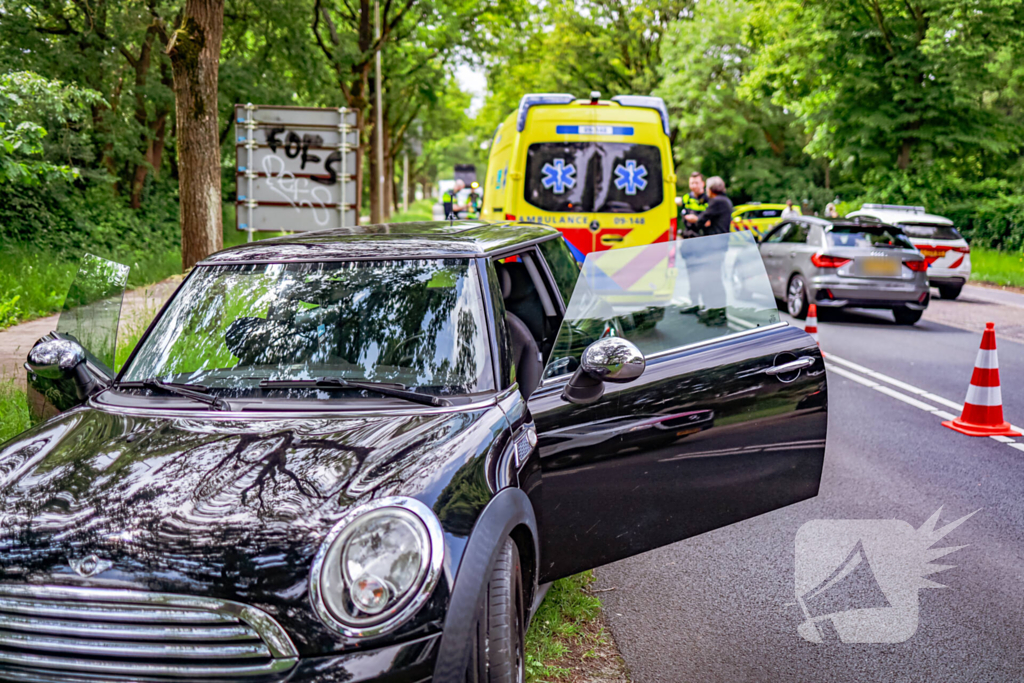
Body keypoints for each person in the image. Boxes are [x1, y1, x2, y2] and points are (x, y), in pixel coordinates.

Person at [681, 176, 732, 325]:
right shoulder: (725, 201)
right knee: (713, 280)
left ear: (710, 189)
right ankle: (714, 311)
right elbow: (706, 220)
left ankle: (718, 314)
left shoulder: (717, 202)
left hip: (714, 247)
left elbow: (701, 221)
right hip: (717, 246)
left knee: (713, 281)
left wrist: (698, 220)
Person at [678, 172, 708, 236]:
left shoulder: (708, 198)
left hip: (704, 235)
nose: (694, 186)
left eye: (697, 183)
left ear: (703, 183)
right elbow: (682, 213)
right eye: (692, 183)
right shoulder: (686, 197)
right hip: (688, 234)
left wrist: (697, 219)